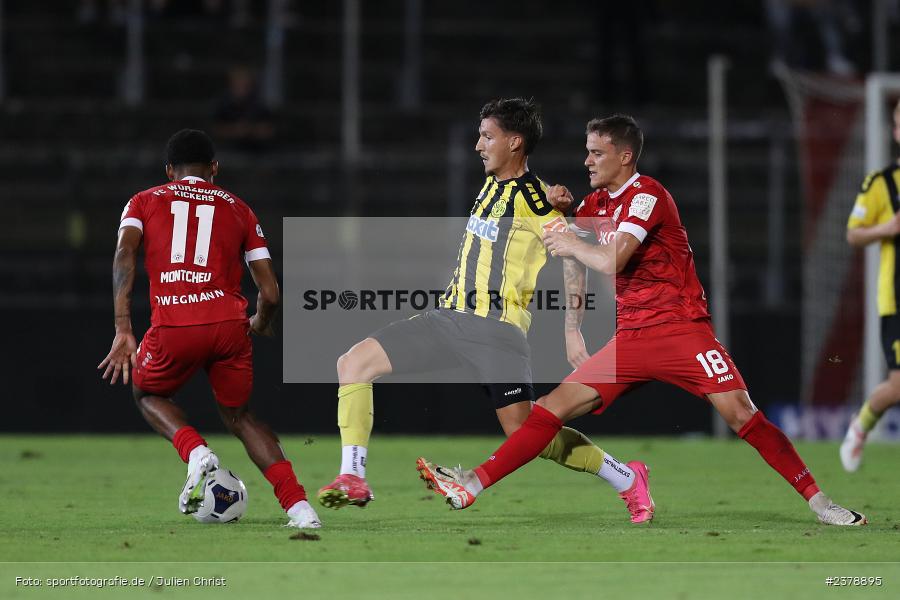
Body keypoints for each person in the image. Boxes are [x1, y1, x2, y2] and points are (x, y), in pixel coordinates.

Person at [417, 115, 867, 527]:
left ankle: (820, 502)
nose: (587, 160)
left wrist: (572, 240)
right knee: (550, 410)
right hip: (630, 338)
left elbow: (612, 260)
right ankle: (471, 484)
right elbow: (569, 255)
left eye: (596, 152)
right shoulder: (594, 202)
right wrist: (572, 325)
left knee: (741, 414)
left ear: (625, 155)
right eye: (587, 151)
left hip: (682, 331)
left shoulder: (647, 195)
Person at [319, 99, 655, 524]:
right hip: (447, 319)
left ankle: (626, 478)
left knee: (525, 432)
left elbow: (571, 254)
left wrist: (573, 328)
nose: (478, 145)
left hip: (495, 331)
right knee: (353, 362)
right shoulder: (492, 184)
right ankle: (353, 476)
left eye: (487, 136)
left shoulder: (536, 199)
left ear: (515, 142)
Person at [98, 129, 321, 529]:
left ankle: (197, 452)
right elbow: (270, 293)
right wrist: (260, 323)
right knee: (240, 417)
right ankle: (300, 510)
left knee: (147, 392)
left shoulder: (143, 202)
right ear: (214, 168)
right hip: (228, 326)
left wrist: (122, 326)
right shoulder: (240, 208)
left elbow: (123, 255)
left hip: (174, 323)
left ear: (169, 170)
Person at [840, 100, 900, 472]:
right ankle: (861, 425)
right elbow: (853, 234)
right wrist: (888, 229)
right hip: (896, 301)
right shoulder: (881, 183)